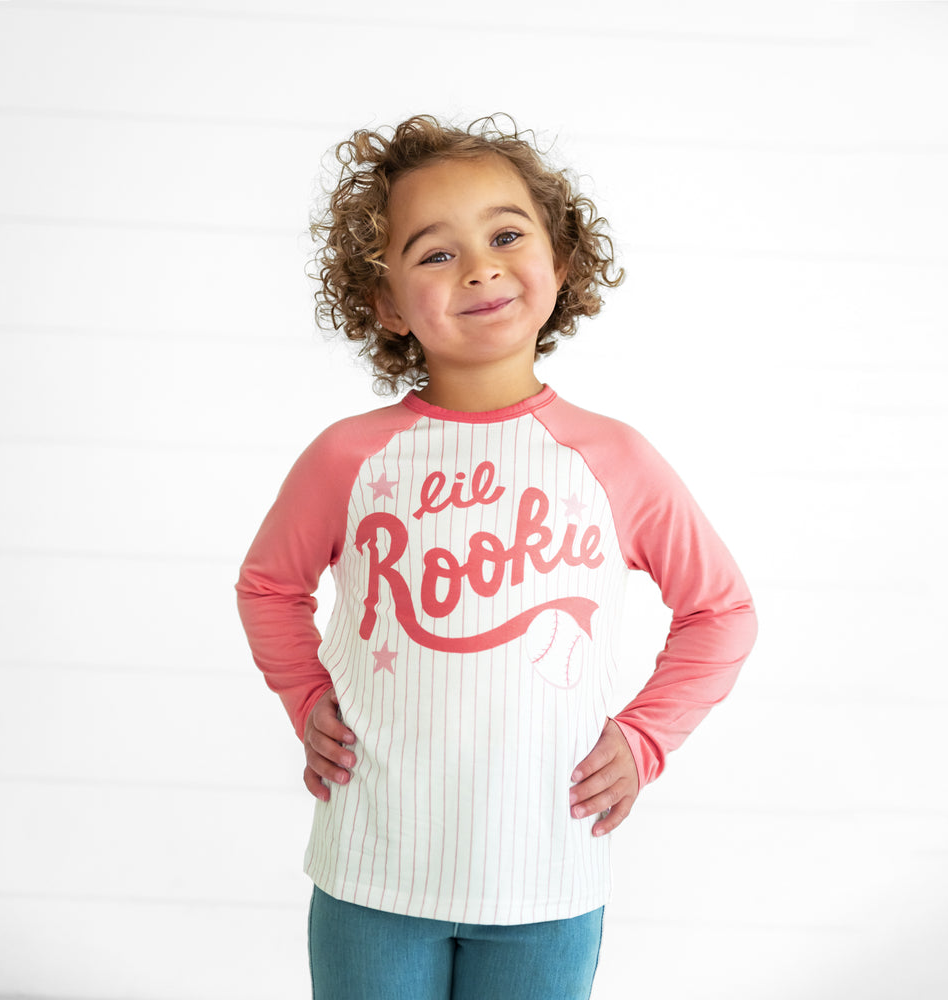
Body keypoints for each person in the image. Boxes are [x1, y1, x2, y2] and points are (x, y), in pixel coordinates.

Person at [236, 114, 757, 1000]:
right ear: (386, 303)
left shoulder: (613, 459)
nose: (478, 266)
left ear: (559, 259)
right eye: (435, 254)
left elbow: (722, 612)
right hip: (373, 869)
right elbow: (269, 586)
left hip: (548, 875)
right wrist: (306, 697)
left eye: (506, 236)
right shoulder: (348, 457)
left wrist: (644, 740)